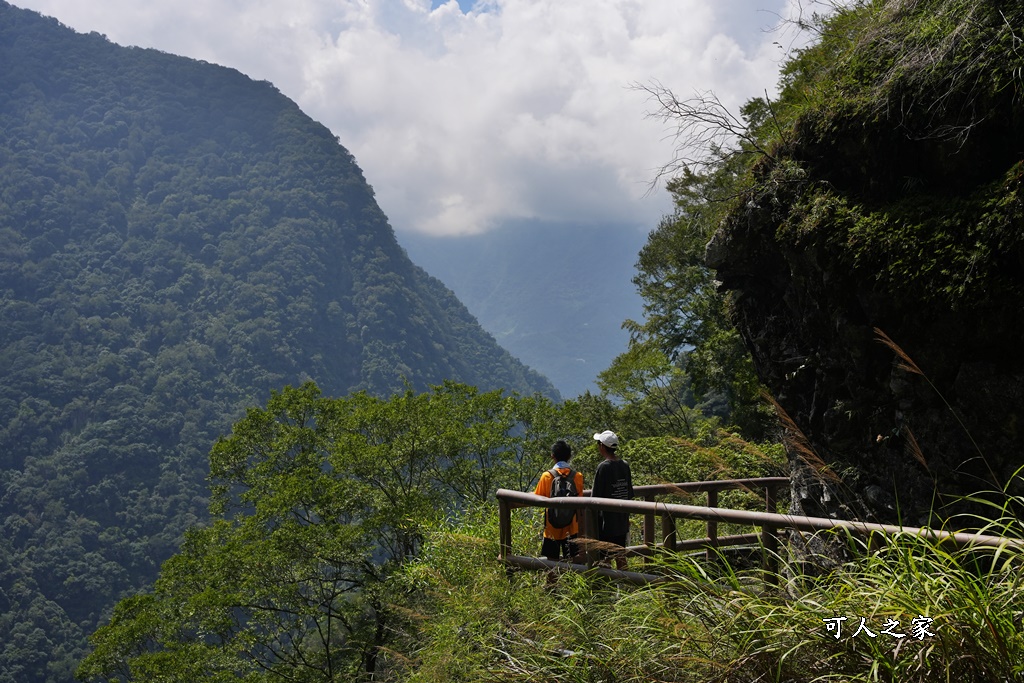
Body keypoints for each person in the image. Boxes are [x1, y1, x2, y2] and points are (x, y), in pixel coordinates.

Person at [533, 440, 584, 562]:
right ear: (569, 456)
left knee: (551, 563)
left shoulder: (547, 476)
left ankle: (553, 582)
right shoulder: (577, 476)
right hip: (572, 527)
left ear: (553, 456)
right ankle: (570, 582)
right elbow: (580, 499)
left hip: (551, 527)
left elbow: (538, 497)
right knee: (573, 561)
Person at [591, 430, 633, 569]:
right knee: (621, 556)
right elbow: (629, 493)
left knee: (605, 558)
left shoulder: (603, 467)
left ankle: (605, 587)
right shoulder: (624, 465)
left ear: (602, 446)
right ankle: (626, 584)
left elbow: (595, 496)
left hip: (607, 522)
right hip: (621, 519)